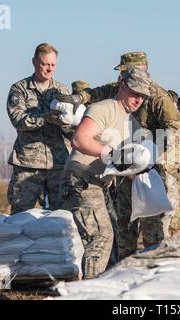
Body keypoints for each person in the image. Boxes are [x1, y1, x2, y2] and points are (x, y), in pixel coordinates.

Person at [74, 51, 180, 256]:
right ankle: (124, 266)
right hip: (124, 164)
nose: (120, 76)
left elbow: (177, 129)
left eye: (124, 71)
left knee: (153, 223)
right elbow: (98, 92)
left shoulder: (158, 97)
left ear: (141, 69)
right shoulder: (122, 86)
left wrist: (159, 158)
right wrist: (79, 97)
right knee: (124, 221)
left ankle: (153, 264)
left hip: (152, 168)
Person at [59, 68, 151, 279]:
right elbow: (80, 139)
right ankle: (91, 291)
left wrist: (138, 168)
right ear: (122, 85)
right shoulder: (104, 109)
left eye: (143, 96)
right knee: (100, 237)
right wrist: (111, 154)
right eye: (135, 93)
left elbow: (128, 161)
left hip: (100, 186)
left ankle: (105, 288)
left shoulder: (132, 123)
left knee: (114, 241)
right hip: (81, 179)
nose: (139, 99)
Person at [6, 43, 71, 214]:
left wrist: (69, 124)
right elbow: (18, 119)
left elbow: (73, 127)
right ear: (34, 62)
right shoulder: (20, 89)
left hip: (58, 164)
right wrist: (46, 118)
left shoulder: (62, 91)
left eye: (53, 65)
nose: (49, 69)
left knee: (61, 217)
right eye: (45, 64)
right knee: (19, 215)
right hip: (28, 164)